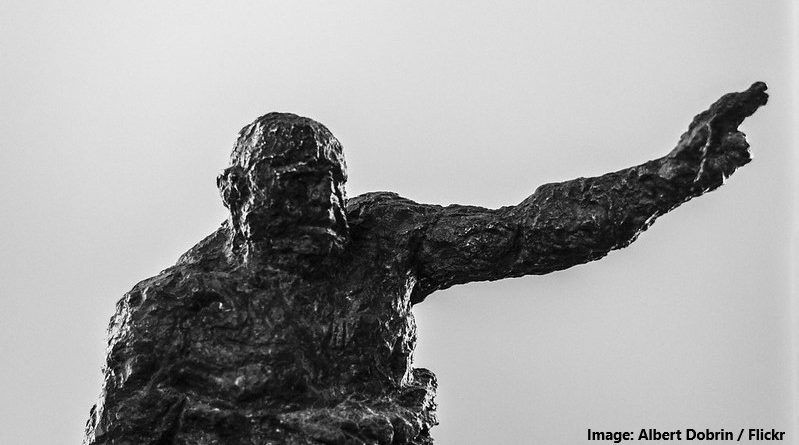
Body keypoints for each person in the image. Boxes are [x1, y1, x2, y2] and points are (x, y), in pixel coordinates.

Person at [84, 82, 768, 445]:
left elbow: (523, 232)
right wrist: (292, 433)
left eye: (333, 183)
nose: (325, 204)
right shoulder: (167, 309)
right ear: (236, 193)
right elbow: (126, 433)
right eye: (297, 184)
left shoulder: (383, 237)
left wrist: (663, 180)